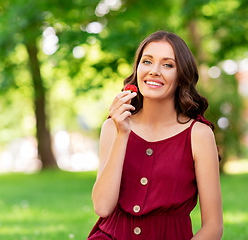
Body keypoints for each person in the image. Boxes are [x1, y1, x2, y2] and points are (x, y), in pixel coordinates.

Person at [87, 30, 223, 240]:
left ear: (181, 76)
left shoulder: (199, 135)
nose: (154, 71)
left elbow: (213, 227)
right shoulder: (112, 127)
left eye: (168, 65)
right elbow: (103, 207)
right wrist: (122, 134)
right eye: (147, 61)